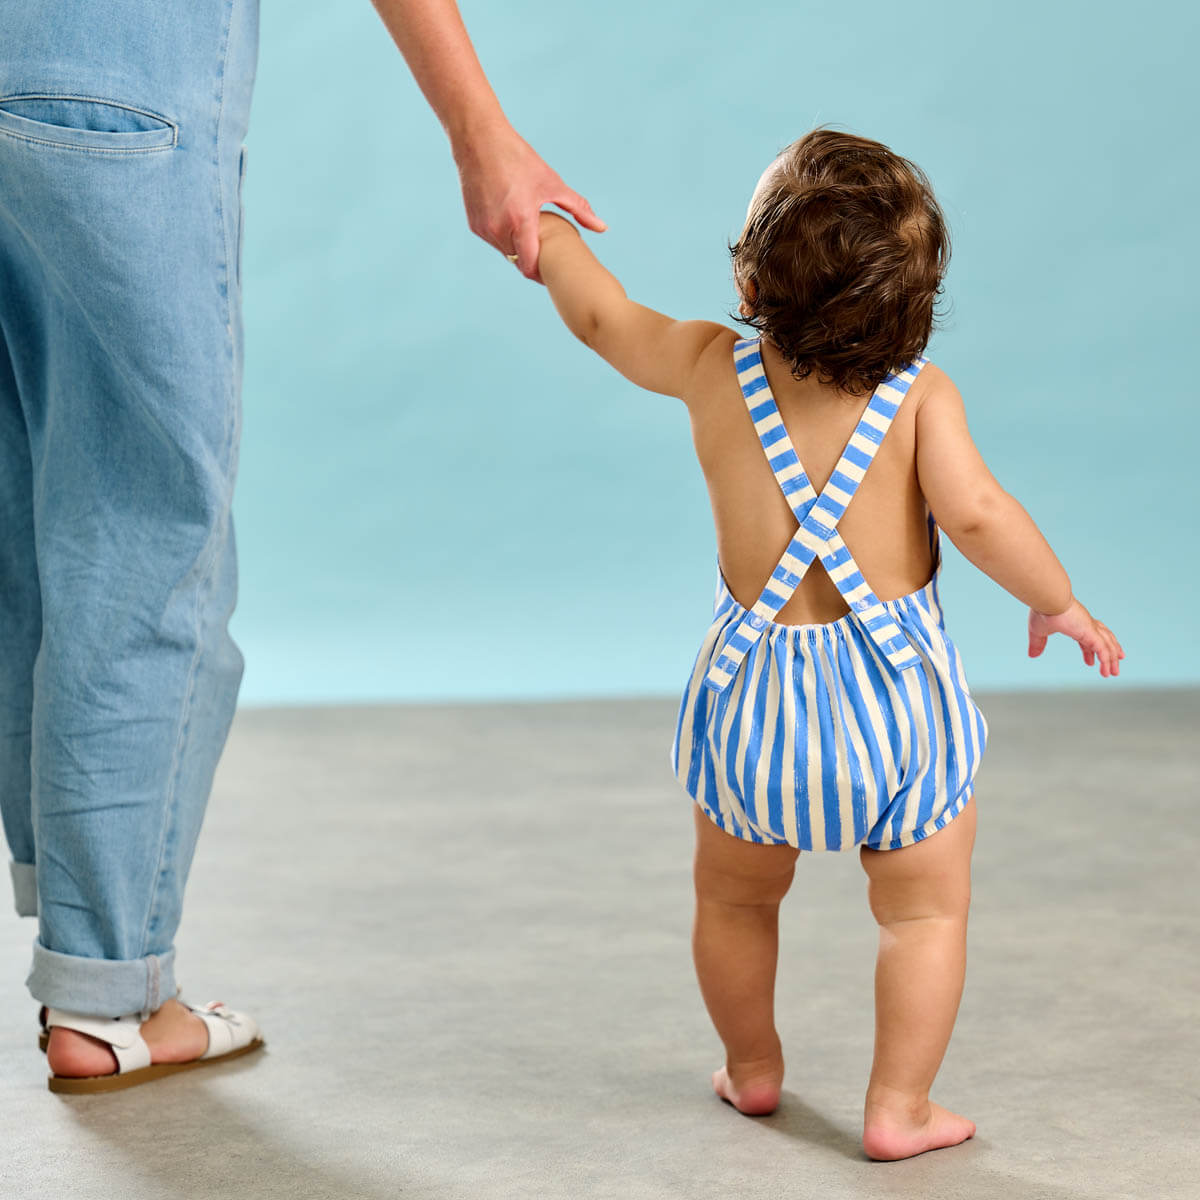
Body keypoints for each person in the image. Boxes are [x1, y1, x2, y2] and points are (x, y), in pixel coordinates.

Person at [0, 0, 602, 1093]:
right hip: (112, 93)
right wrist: (482, 133)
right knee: (139, 531)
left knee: (26, 523)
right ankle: (108, 993)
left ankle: (79, 921)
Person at [527, 128, 1123, 1161]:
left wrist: (537, 225)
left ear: (751, 281)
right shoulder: (921, 399)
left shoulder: (712, 367)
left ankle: (753, 1068)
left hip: (756, 708)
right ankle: (899, 1107)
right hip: (896, 716)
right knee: (924, 918)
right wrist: (1057, 601)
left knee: (734, 898)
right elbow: (978, 514)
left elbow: (601, 318)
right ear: (915, 302)